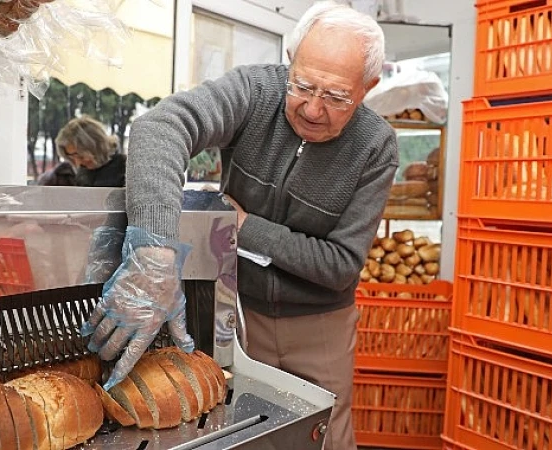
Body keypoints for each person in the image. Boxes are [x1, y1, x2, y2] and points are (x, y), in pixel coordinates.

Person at [81, 2, 397, 449]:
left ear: (367, 88)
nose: (312, 108)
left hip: (319, 325)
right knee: (243, 433)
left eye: (337, 96)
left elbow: (341, 265)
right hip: (236, 312)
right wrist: (152, 252)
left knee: (322, 437)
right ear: (291, 61)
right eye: (303, 84)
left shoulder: (376, 146)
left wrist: (243, 225)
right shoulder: (257, 91)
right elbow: (161, 127)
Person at [55, 116, 127, 187]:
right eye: (72, 158)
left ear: (95, 145)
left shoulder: (125, 168)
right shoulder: (82, 174)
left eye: (80, 156)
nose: (78, 163)